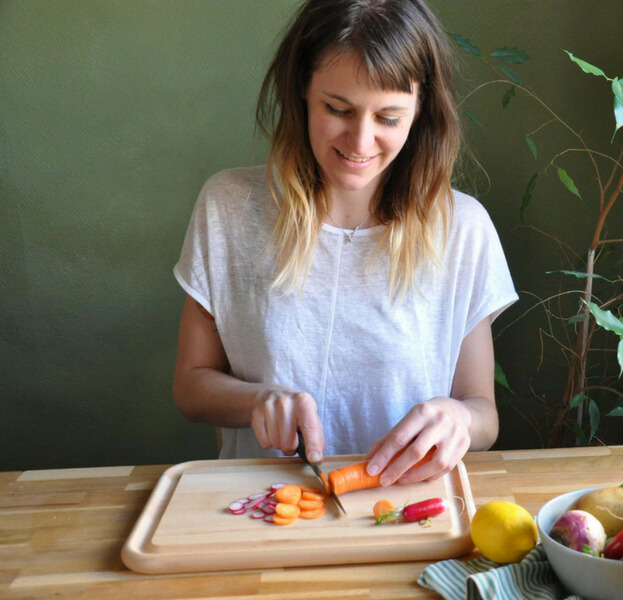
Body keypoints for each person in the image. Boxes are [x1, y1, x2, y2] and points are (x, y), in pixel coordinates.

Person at [172, 0, 517, 488]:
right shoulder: (227, 207)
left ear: (421, 113)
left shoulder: (463, 227)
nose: (360, 141)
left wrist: (458, 421)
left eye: (389, 118)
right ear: (302, 94)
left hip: (405, 511)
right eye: (338, 109)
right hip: (264, 511)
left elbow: (482, 411)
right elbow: (190, 385)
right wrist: (256, 400)